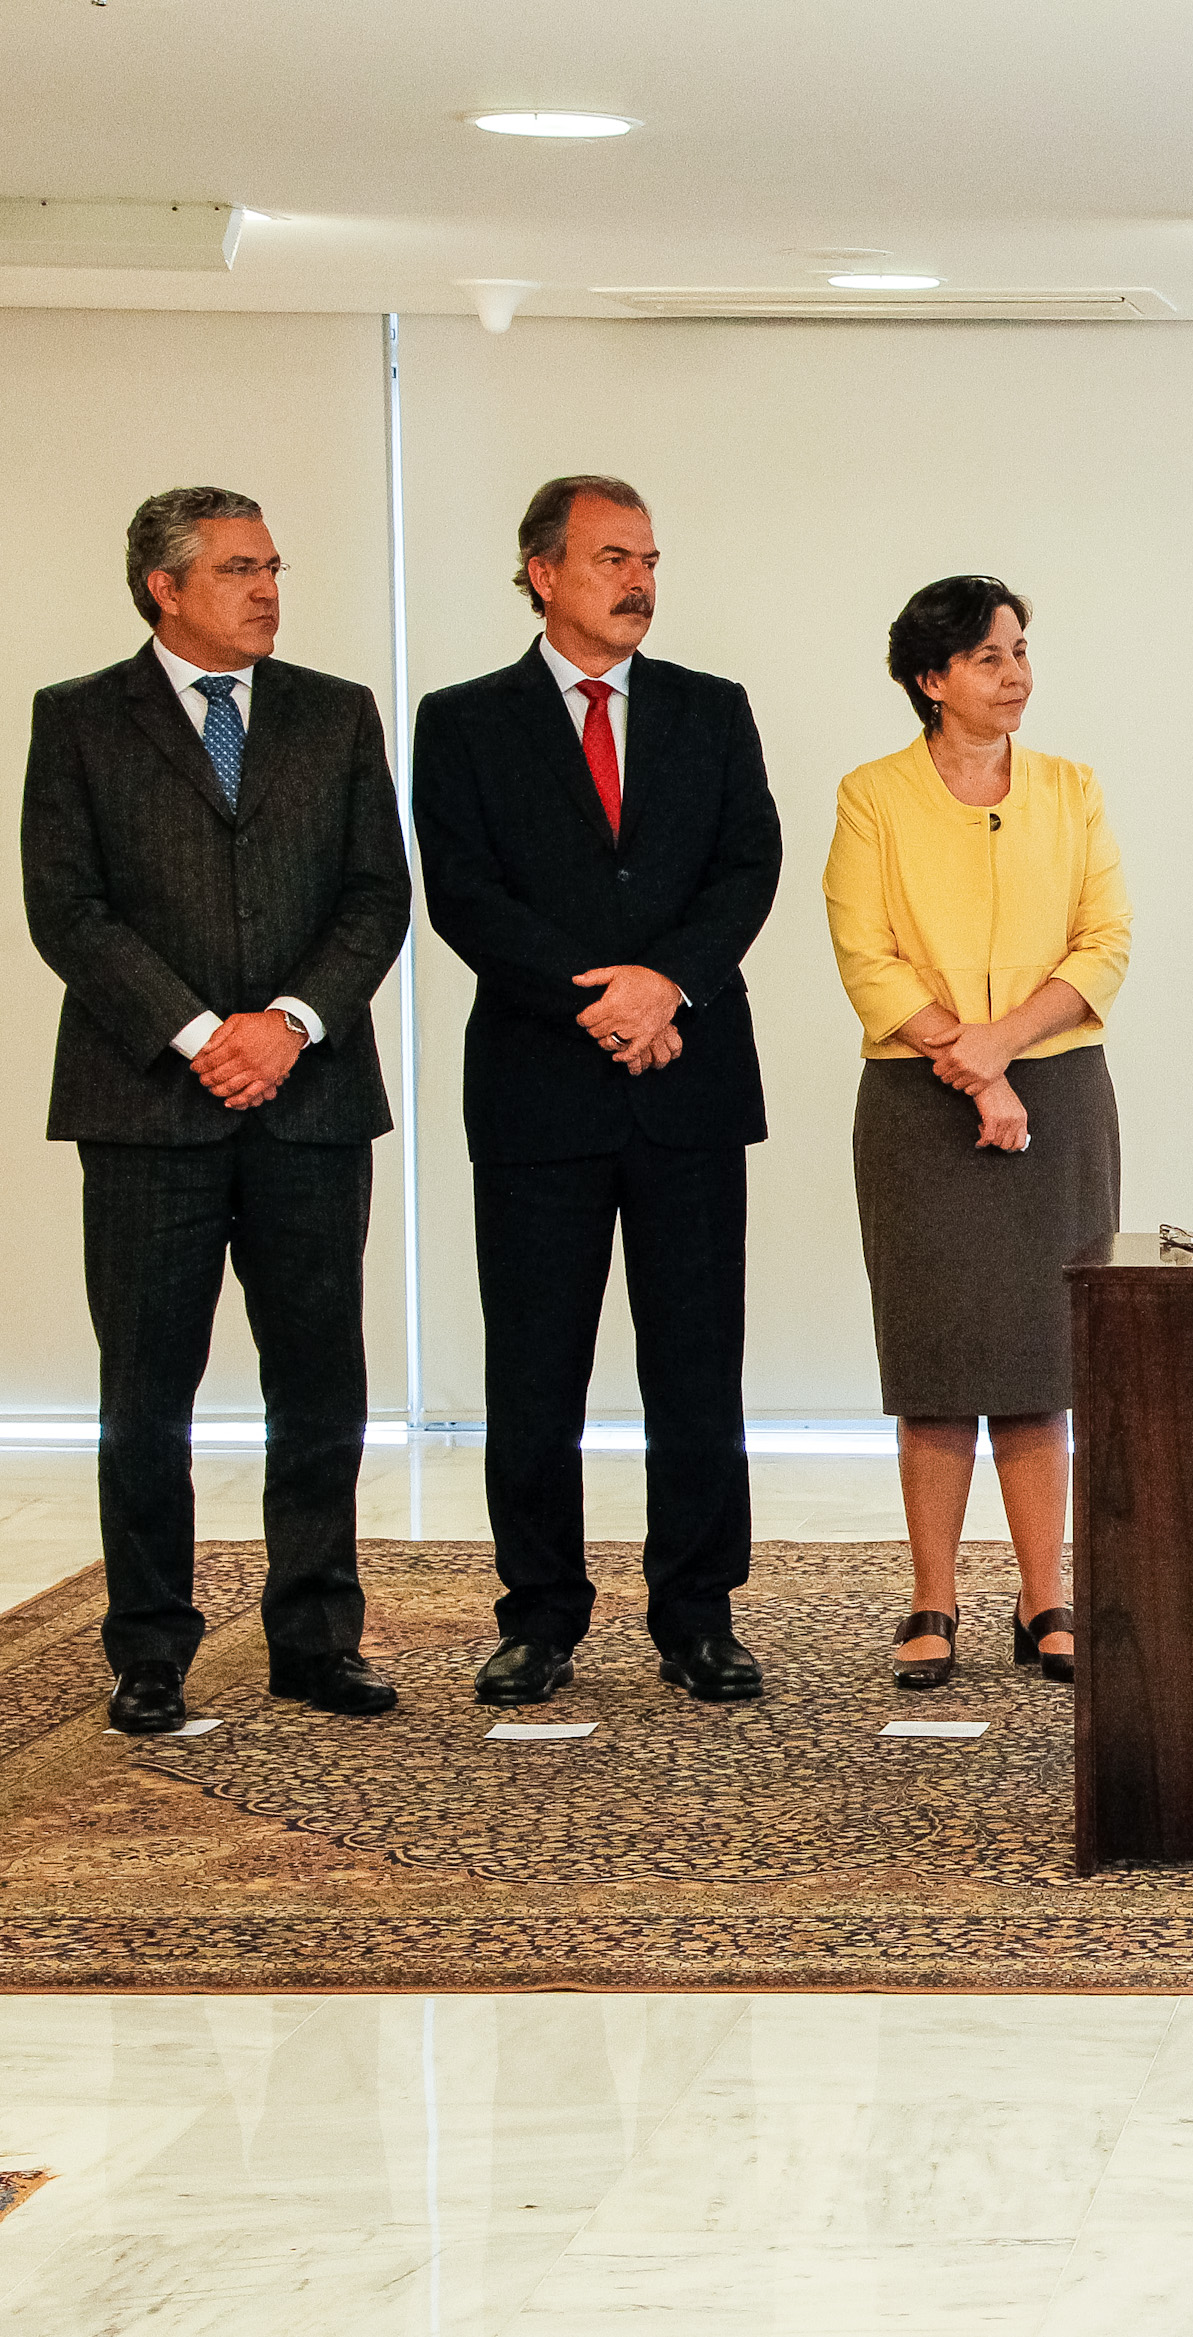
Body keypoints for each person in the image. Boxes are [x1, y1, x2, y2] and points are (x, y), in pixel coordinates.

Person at [20, 486, 414, 1735]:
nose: (268, 589)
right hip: (149, 1109)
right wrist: (202, 1036)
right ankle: (150, 1649)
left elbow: (375, 896)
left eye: (274, 566)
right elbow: (67, 909)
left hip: (309, 1104)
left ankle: (314, 1637)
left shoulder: (334, 713)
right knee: (148, 1391)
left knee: (321, 1385)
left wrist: (286, 1026)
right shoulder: (78, 720)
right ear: (164, 587)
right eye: (241, 568)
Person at [413, 475, 785, 1709]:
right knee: (534, 1369)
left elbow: (747, 868)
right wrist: (602, 1003)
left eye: (649, 559)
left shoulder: (709, 709)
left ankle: (699, 1612)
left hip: (687, 1082)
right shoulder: (462, 721)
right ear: (541, 571)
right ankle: (538, 1616)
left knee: (695, 1364)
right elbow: (464, 896)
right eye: (612, 557)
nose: (638, 581)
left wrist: (666, 986)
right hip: (539, 1090)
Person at [824, 577, 1130, 1690]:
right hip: (919, 1101)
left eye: (1020, 654)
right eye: (992, 659)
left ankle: (1047, 1595)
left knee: (1043, 1357)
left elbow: (1104, 941)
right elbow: (867, 957)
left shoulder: (1069, 789)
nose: (1016, 676)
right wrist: (966, 1058)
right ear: (931, 679)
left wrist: (1001, 1048)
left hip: (1054, 1090)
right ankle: (932, 1599)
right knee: (938, 1360)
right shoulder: (874, 797)